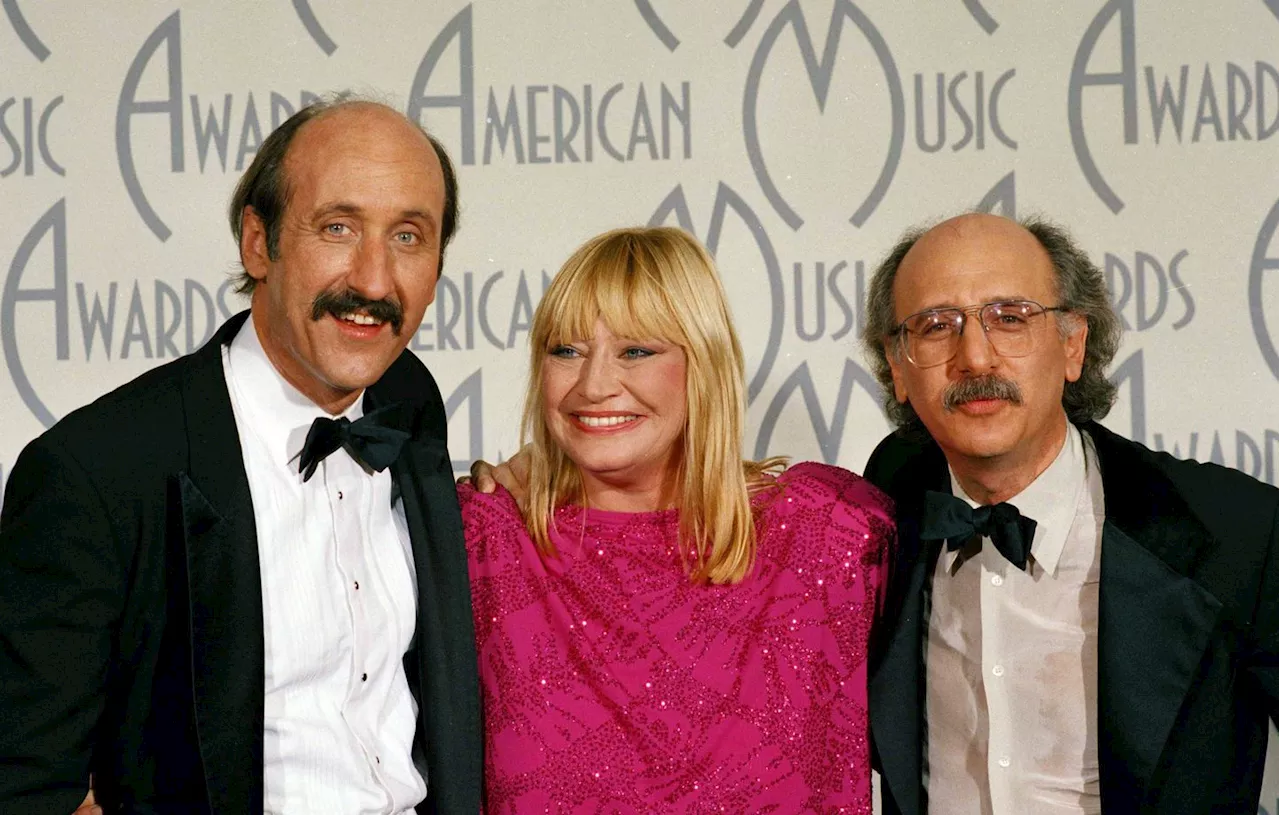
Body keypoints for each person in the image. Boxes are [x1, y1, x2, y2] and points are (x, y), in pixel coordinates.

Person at [0, 97, 482, 814]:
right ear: (259, 242)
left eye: (409, 236)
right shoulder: (97, 472)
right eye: (338, 227)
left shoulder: (409, 402)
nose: (376, 282)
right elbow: (25, 784)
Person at [457, 226, 894, 812]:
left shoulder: (826, 532)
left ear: (704, 364)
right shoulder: (486, 542)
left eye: (636, 351)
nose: (594, 385)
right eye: (566, 350)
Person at [859, 212, 1280, 814]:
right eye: (935, 326)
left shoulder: (1233, 531)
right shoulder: (881, 507)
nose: (975, 358)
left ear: (1073, 344)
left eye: (1010, 318)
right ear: (898, 367)